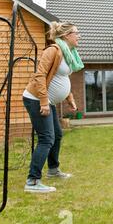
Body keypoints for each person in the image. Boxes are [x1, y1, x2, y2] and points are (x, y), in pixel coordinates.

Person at [22, 21, 83, 193]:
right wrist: (43, 101)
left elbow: (61, 78)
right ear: (66, 35)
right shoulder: (53, 51)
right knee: (46, 138)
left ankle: (53, 170)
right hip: (36, 99)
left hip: (48, 101)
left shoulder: (68, 54)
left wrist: (69, 97)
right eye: (76, 33)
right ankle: (32, 181)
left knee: (56, 135)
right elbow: (39, 75)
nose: (79, 36)